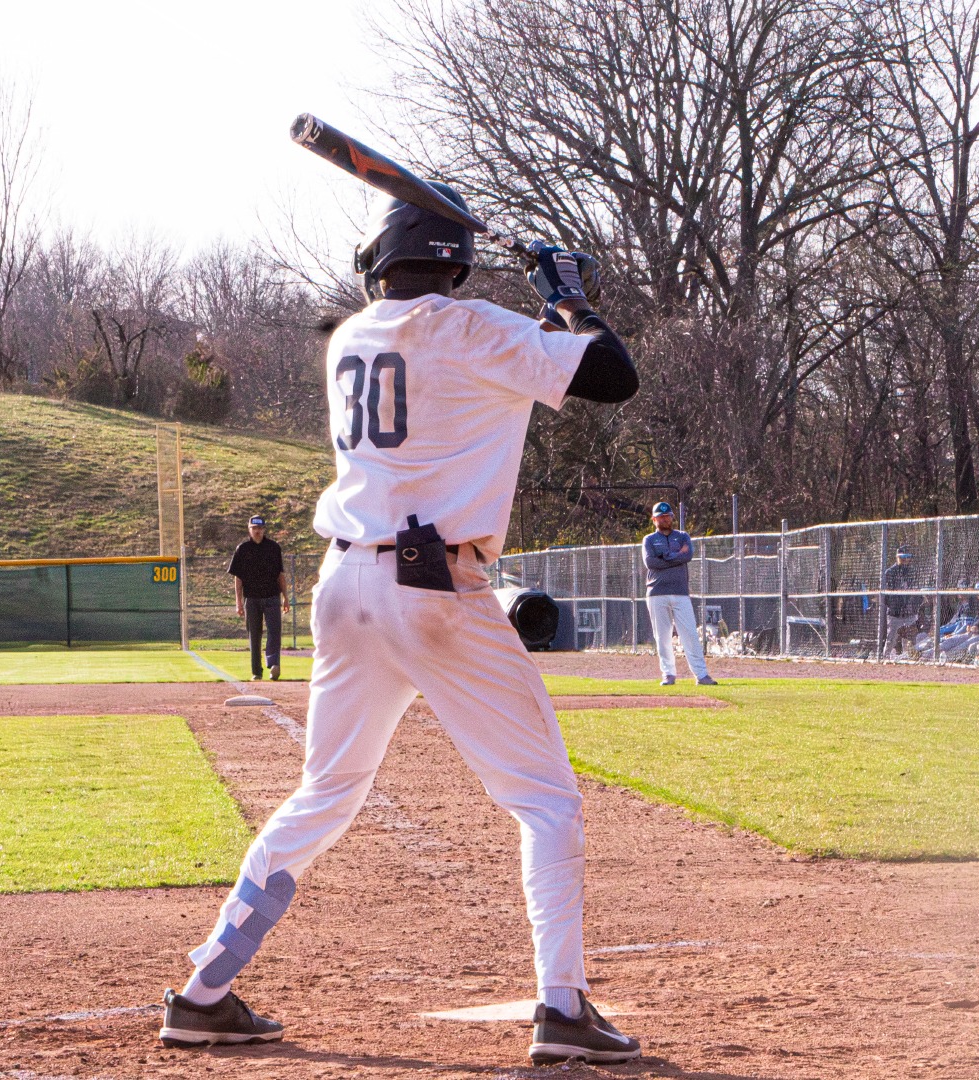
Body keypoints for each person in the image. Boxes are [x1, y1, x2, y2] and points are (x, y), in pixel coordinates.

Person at [159, 182, 644, 1065]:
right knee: (546, 801)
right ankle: (564, 1008)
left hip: (344, 585)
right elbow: (614, 376)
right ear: (456, 263)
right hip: (436, 587)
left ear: (378, 260)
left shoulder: (351, 335)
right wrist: (567, 298)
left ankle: (204, 989)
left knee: (325, 793)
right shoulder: (476, 330)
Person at [642, 503, 716, 687]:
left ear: (672, 517)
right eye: (661, 516)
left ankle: (701, 675)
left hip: (680, 592)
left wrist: (664, 556)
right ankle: (668, 674)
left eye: (667, 516)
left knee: (690, 634)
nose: (665, 519)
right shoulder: (649, 539)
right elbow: (651, 562)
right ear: (654, 519)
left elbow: (687, 556)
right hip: (657, 592)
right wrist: (675, 556)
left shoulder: (682, 536)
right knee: (663, 636)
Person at [228, 515, 292, 680]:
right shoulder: (242, 549)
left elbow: (280, 575)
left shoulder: (273, 548)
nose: (257, 531)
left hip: (271, 596)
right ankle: (257, 671)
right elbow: (238, 578)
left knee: (274, 632)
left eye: (260, 528)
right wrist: (238, 602)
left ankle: (273, 664)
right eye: (254, 528)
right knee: (254, 635)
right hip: (252, 598)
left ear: (264, 529)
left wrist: (285, 597)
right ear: (249, 529)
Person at [880, 548, 924, 658]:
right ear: (897, 557)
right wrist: (894, 606)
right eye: (902, 557)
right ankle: (885, 658)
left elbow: (917, 591)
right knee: (891, 638)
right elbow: (885, 596)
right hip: (895, 613)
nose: (905, 560)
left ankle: (907, 658)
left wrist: (913, 607)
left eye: (907, 557)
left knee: (910, 639)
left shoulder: (912, 571)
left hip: (910, 612)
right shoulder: (890, 572)